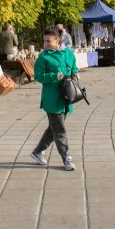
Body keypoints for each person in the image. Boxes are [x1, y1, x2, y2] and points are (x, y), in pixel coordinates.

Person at [30, 26, 79, 171]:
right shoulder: (44, 57)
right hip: (52, 100)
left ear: (58, 40)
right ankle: (66, 158)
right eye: (44, 41)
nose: (45, 44)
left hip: (67, 97)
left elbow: (74, 67)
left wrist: (76, 73)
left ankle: (37, 152)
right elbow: (38, 76)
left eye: (48, 41)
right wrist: (53, 76)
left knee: (54, 128)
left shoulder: (68, 53)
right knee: (60, 130)